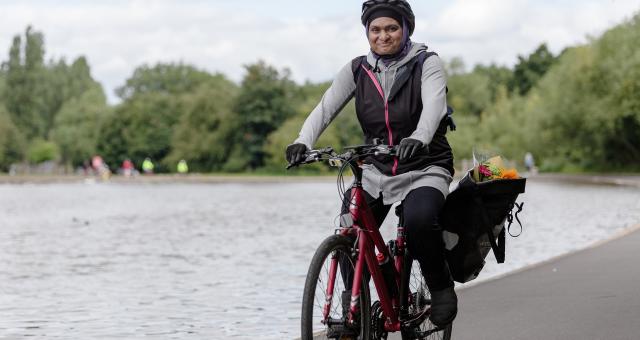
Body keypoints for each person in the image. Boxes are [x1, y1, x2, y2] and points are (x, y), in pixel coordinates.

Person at [285, 0, 457, 327]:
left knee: (420, 221)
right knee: (349, 225)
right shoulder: (357, 69)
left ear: (406, 29)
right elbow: (325, 109)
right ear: (367, 32)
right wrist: (302, 142)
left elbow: (434, 108)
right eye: (375, 29)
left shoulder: (427, 63)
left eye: (391, 28)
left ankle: (440, 286)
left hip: (424, 165)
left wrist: (419, 137)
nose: (383, 36)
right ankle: (358, 310)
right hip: (377, 170)